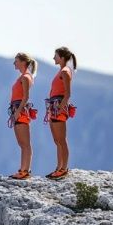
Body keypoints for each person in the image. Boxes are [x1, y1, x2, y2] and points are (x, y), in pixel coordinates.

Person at [45, 47, 77, 180]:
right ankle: (59, 167)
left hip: (58, 108)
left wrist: (60, 108)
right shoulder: (61, 71)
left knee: (61, 140)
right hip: (54, 108)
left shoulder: (65, 72)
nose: (54, 58)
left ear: (62, 58)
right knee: (57, 140)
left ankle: (64, 168)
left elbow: (68, 93)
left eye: (56, 56)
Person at [8, 53, 38, 180]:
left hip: (20, 112)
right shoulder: (23, 76)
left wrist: (18, 111)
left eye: (16, 61)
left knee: (25, 144)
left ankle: (25, 170)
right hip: (17, 111)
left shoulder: (25, 77)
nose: (14, 63)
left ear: (22, 62)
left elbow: (26, 97)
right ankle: (23, 169)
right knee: (22, 143)